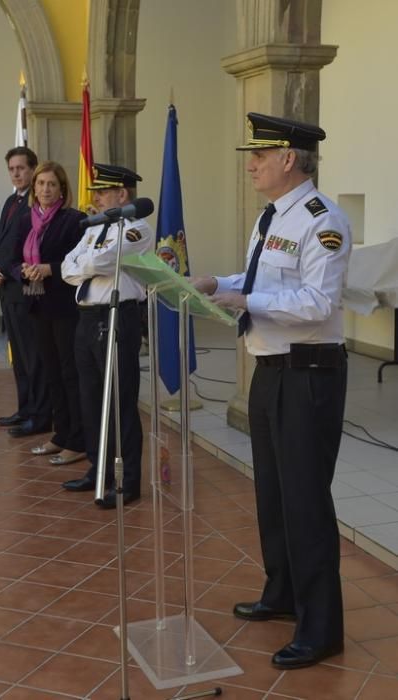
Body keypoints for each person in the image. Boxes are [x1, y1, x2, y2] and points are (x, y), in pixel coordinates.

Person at [193, 113, 351, 670]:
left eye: (259, 156)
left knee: (306, 500)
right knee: (274, 494)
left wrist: (243, 301)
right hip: (270, 370)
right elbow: (258, 280)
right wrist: (218, 283)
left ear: (289, 159)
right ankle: (282, 592)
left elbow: (317, 304)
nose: (251, 164)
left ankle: (322, 627)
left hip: (308, 374)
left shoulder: (322, 220)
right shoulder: (272, 217)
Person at [61, 163, 154, 508]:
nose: (96, 198)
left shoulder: (136, 228)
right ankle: (97, 470)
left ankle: (128, 481)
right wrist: (86, 262)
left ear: (122, 194)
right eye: (96, 192)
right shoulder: (95, 227)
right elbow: (66, 267)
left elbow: (105, 261)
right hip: (86, 318)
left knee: (119, 401)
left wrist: (85, 262)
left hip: (117, 317)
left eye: (102, 192)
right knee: (90, 398)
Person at [12, 161, 85, 464]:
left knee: (70, 374)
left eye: (51, 184)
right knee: (51, 373)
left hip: (65, 307)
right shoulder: (25, 220)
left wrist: (48, 269)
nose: (45, 189)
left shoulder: (74, 220)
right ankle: (61, 434)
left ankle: (78, 441)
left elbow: (79, 263)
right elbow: (12, 259)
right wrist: (24, 271)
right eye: (40, 183)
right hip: (37, 304)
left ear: (62, 189)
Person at [0, 147, 52, 437]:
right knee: (19, 355)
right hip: (7, 290)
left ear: (33, 169)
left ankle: (40, 415)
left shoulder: (34, 205)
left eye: (21, 168)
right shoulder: (11, 200)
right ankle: (25, 408)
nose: (16, 173)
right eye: (11, 169)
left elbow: (31, 248)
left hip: (26, 289)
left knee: (33, 355)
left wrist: (10, 271)